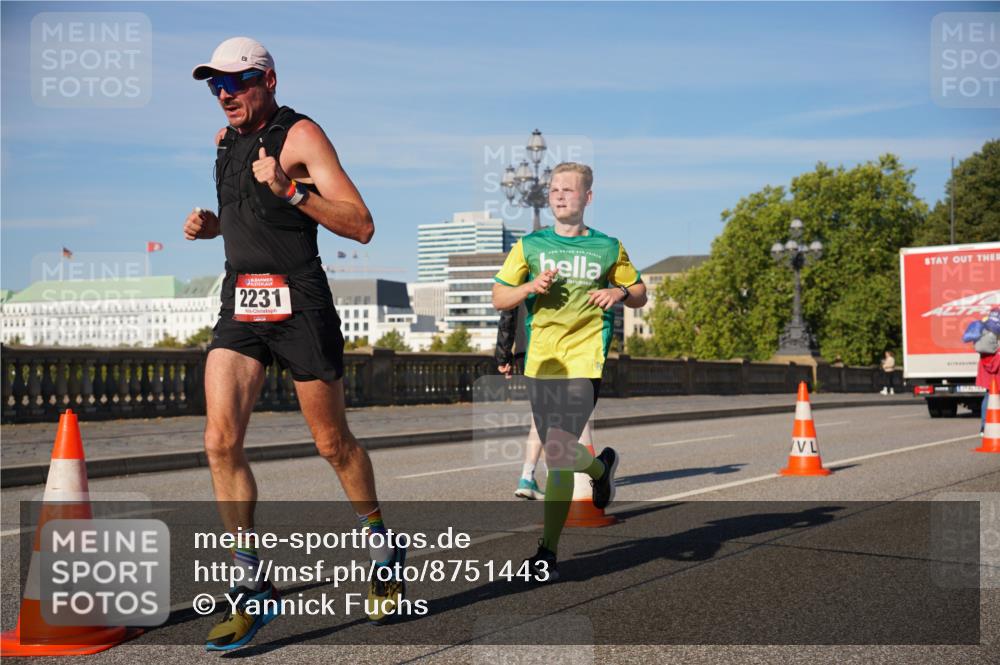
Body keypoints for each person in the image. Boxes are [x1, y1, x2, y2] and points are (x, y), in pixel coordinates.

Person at [185, 37, 403, 649]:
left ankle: (382, 544)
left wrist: (292, 190)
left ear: (268, 80)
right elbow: (254, 218)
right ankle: (251, 585)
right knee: (219, 440)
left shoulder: (301, 136)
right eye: (215, 86)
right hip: (241, 301)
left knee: (332, 443)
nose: (224, 95)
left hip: (299, 301)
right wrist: (215, 228)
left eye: (236, 83)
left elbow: (360, 224)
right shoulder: (224, 142)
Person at [493, 162, 647, 580]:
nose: (560, 196)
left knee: (558, 454)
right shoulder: (528, 246)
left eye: (569, 190)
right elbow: (499, 298)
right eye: (554, 190)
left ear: (587, 198)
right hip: (542, 361)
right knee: (558, 452)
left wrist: (617, 292)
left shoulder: (609, 247)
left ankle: (546, 552)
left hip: (584, 358)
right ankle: (599, 469)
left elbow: (640, 293)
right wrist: (529, 288)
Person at [494, 307, 595, 501]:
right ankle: (573, 480)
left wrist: (504, 353)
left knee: (541, 415)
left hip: (527, 350)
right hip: (557, 345)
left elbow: (508, 312)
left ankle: (527, 477)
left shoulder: (520, 276)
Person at [976, 308, 1000, 436]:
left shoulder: (984, 328)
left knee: (988, 396)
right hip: (997, 369)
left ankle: (984, 427)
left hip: (986, 368)